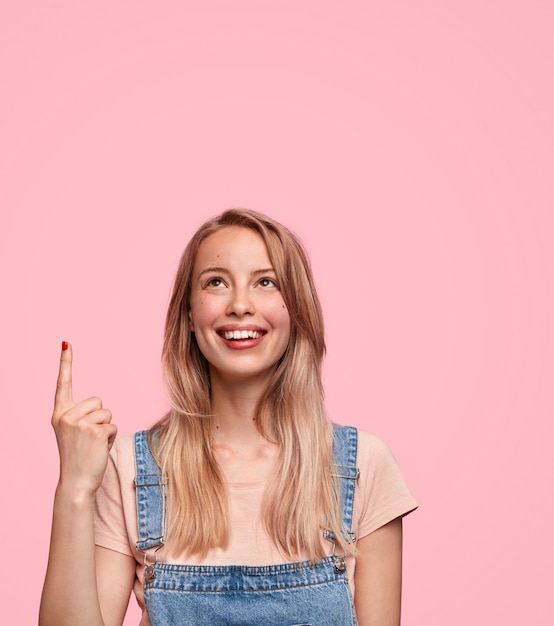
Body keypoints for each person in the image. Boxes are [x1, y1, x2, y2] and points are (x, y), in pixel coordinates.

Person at [39, 209, 417, 626]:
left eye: (266, 282)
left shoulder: (362, 467)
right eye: (216, 282)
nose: (240, 305)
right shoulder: (129, 468)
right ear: (188, 315)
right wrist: (73, 490)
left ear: (298, 311)